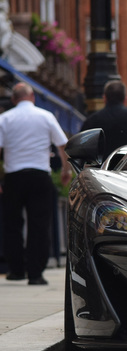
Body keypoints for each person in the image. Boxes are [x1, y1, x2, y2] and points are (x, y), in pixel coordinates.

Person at [0, 82, 71, 285]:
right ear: (32, 97)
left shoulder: (4, 119)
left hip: (14, 176)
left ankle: (16, 270)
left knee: (12, 224)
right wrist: (66, 171)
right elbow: (62, 145)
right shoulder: (46, 116)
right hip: (40, 176)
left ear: (14, 100)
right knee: (39, 224)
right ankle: (36, 274)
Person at [81, 80, 127, 157]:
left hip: (101, 168)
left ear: (104, 98)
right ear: (125, 99)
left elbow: (82, 147)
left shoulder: (92, 120)